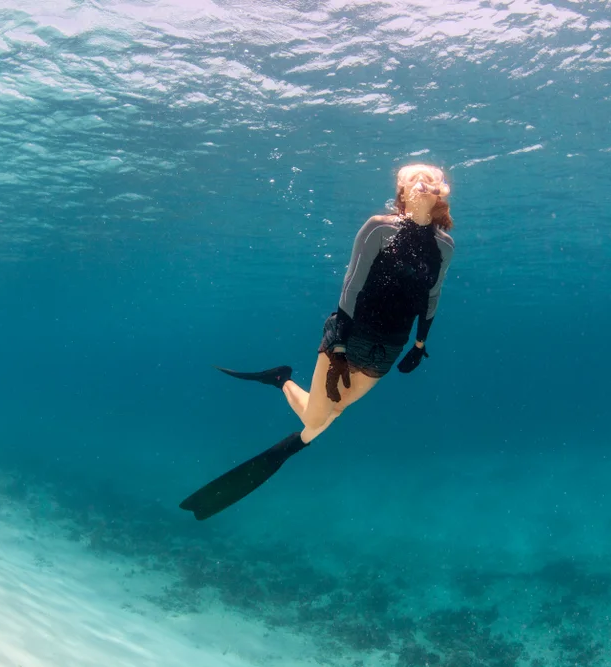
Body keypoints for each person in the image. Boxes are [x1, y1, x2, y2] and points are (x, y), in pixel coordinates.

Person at [180, 163, 455, 520]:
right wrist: (338, 348)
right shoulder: (379, 229)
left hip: (388, 347)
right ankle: (283, 390)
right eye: (415, 181)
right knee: (318, 422)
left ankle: (281, 379)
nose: (423, 185)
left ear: (439, 193)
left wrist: (420, 344)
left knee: (327, 415)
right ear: (402, 192)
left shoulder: (444, 245)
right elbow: (351, 288)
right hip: (350, 335)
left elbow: (432, 296)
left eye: (430, 182)